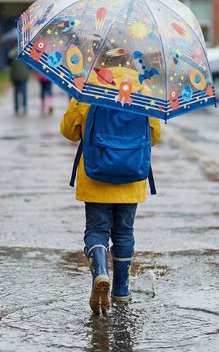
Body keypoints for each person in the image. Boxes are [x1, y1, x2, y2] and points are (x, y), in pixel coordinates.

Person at [60, 70, 161, 314]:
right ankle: (122, 291)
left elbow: (68, 131)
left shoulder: (88, 88)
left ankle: (101, 273)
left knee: (97, 230)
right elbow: (154, 136)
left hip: (96, 177)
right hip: (131, 177)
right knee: (124, 233)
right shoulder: (144, 91)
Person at [9, 46, 30, 114]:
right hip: (24, 75)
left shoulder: (12, 52)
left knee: (16, 92)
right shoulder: (25, 52)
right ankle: (24, 106)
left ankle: (16, 107)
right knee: (24, 92)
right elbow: (29, 65)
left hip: (15, 75)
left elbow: (9, 63)